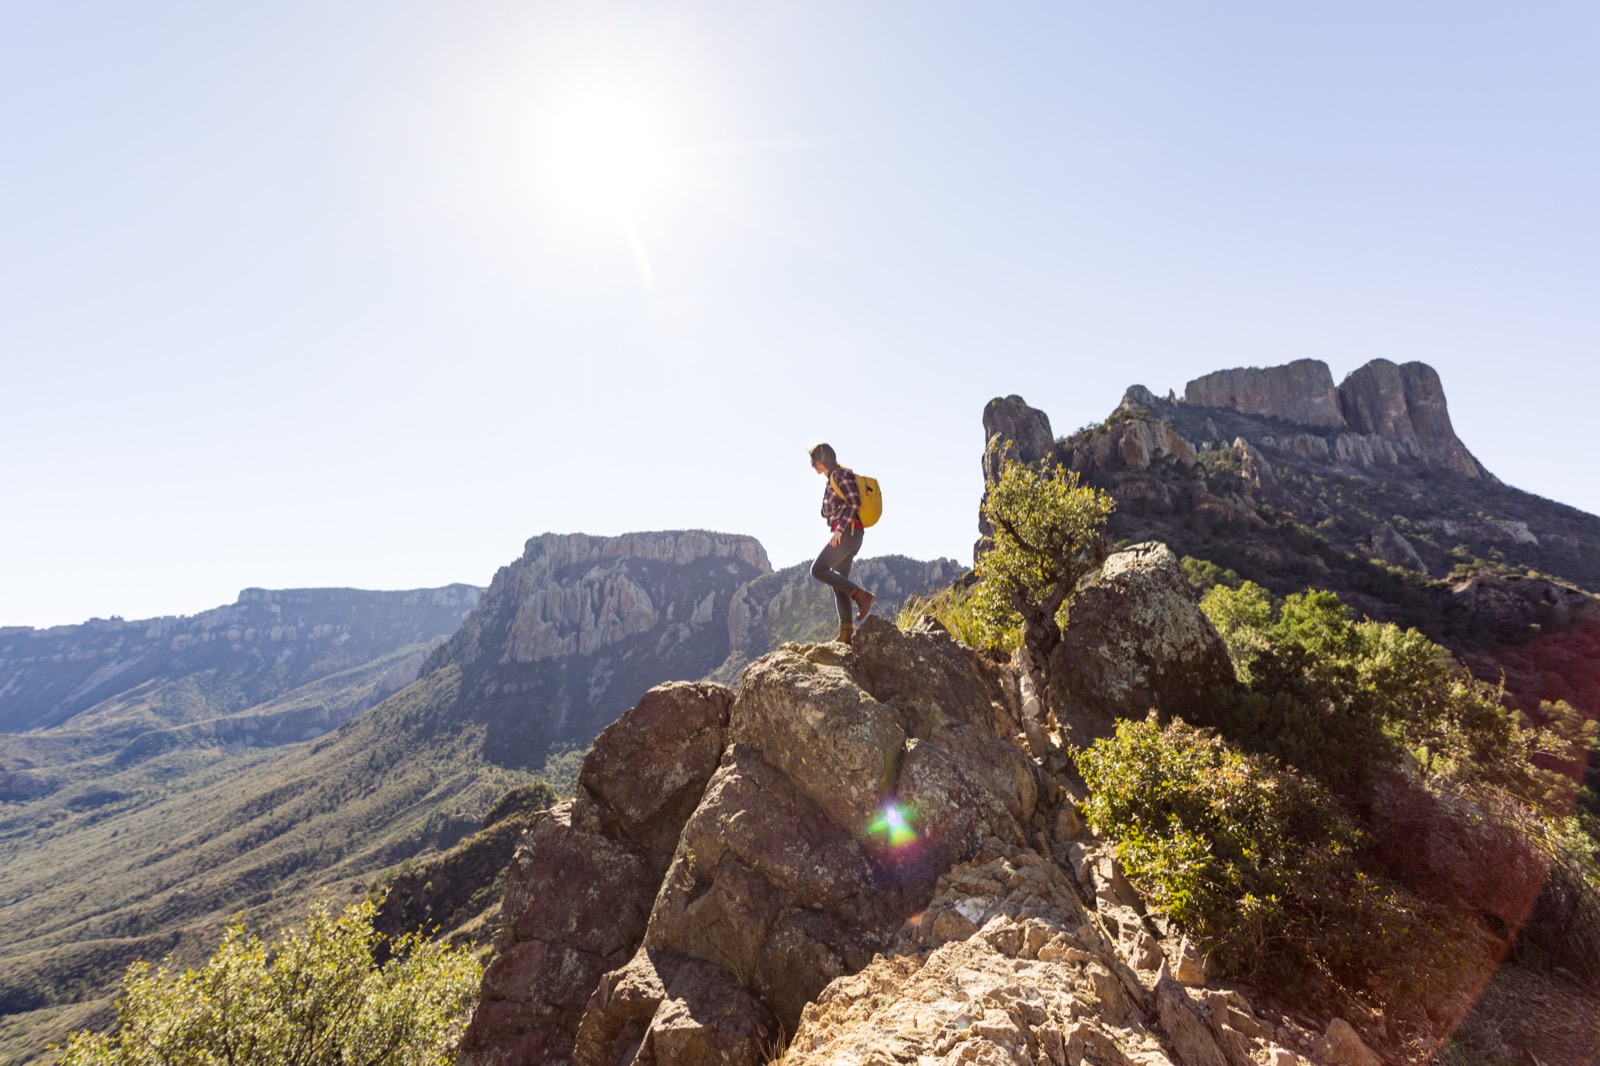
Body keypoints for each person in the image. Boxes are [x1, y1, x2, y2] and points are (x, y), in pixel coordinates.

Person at [808, 442, 875, 644]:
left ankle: (861, 596)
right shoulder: (832, 479)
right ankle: (846, 633)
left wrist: (839, 529)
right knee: (838, 581)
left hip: (848, 532)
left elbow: (854, 501)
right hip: (850, 533)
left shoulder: (839, 475)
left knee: (818, 569)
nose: (812, 466)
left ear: (822, 459)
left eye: (814, 461)